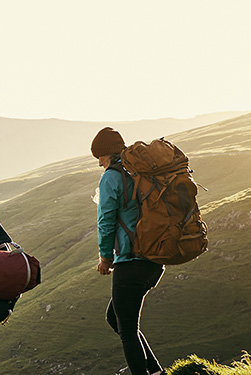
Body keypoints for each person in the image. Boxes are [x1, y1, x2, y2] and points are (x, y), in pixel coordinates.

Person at [91, 127, 166, 375]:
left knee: (127, 331)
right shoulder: (139, 172)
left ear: (109, 154)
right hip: (154, 259)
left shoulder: (112, 177)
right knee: (116, 318)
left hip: (131, 261)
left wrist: (105, 258)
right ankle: (154, 370)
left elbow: (106, 220)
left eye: (100, 156)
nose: (99, 162)